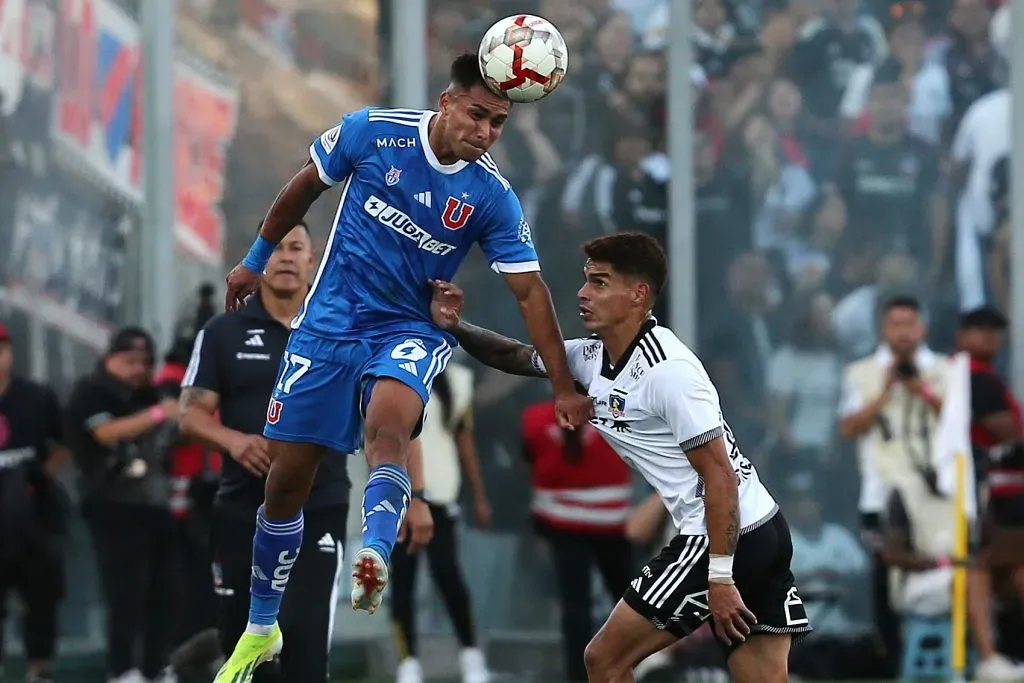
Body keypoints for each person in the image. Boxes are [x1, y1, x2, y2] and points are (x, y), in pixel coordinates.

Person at [216, 52, 591, 682]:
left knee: (387, 432)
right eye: (478, 114)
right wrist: (255, 258)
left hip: (408, 330)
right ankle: (260, 628)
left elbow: (531, 292)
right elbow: (304, 185)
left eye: (498, 123)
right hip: (328, 324)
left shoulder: (491, 195)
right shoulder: (373, 131)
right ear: (447, 101)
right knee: (285, 485)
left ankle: (376, 553)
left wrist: (560, 385)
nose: (485, 132)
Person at [428, 232, 812, 683]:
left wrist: (721, 576)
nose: (582, 293)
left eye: (600, 282)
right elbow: (519, 355)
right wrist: (455, 325)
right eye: (586, 280)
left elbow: (720, 476)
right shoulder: (595, 359)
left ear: (638, 293)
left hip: (723, 536)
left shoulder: (669, 373)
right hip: (760, 527)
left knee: (604, 660)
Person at [180, 222, 352, 683]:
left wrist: (410, 494)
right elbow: (190, 416)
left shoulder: (342, 328)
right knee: (244, 652)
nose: (287, 257)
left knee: (305, 646)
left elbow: (387, 417)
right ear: (259, 259)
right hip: (240, 510)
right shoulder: (222, 331)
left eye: (297, 248)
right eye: (276, 248)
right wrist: (234, 441)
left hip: (319, 506)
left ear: (312, 260)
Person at [67, 328, 180, 683]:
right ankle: (122, 668)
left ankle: (155, 666)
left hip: (155, 503)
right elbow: (106, 433)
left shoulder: (149, 393)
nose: (137, 369)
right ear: (110, 359)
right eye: (128, 361)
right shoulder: (92, 391)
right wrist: (160, 413)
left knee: (161, 591)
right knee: (125, 591)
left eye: (143, 362)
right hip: (112, 504)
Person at [391, 362, 492, 683]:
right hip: (399, 497)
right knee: (403, 583)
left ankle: (471, 657)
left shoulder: (459, 381)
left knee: (448, 576)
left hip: (442, 493)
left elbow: (464, 440)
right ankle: (408, 664)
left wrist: (479, 496)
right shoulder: (393, 374)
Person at [0, 323, 69, 683]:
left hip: (33, 514)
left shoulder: (35, 397)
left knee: (41, 598)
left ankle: (38, 671)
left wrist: (42, 476)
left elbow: (62, 443)